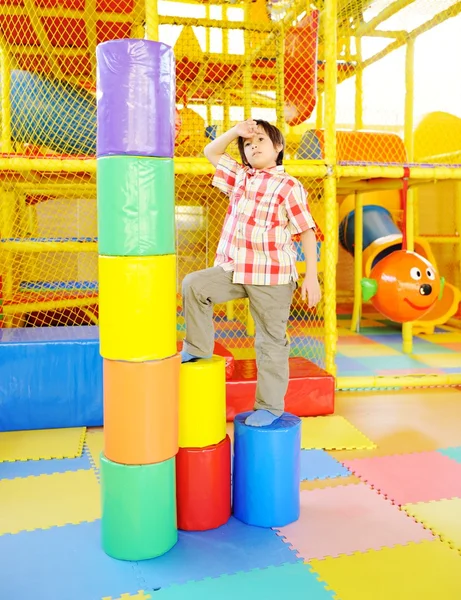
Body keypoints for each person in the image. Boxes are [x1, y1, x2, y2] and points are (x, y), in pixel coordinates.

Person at [180, 118, 321, 426]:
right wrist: (235, 132)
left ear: (278, 147)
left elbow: (307, 231)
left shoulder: (288, 186)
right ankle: (198, 348)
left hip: (271, 275)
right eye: (248, 144)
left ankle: (270, 406)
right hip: (235, 268)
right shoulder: (241, 177)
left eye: (261, 142)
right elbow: (211, 151)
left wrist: (311, 276)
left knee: (270, 342)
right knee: (194, 285)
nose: (253, 147)